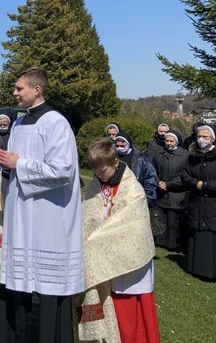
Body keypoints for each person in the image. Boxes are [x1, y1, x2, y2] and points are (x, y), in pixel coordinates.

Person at [0, 67, 83, 343]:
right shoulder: (18, 124)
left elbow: (63, 170)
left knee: (45, 283)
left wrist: (18, 163)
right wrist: (9, 167)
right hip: (21, 209)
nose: (15, 93)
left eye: (19, 88)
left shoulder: (56, 123)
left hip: (48, 214)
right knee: (19, 281)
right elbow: (15, 163)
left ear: (37, 90)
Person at [76, 138, 160, 343]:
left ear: (115, 162)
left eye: (102, 171)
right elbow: (89, 214)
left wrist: (101, 237)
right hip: (100, 252)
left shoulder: (133, 189)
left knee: (128, 304)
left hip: (128, 260)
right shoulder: (97, 184)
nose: (98, 175)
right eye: (95, 171)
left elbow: (131, 225)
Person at [180, 124, 216, 282]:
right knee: (199, 235)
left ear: (213, 138)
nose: (201, 139)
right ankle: (199, 269)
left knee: (215, 236)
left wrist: (205, 185)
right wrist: (196, 184)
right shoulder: (193, 157)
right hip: (197, 203)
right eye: (198, 136)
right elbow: (185, 176)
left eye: (205, 136)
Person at [155, 130, 190, 251]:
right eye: (167, 141)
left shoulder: (185, 155)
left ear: (177, 142)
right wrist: (158, 182)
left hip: (178, 194)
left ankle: (175, 244)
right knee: (162, 219)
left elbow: (185, 175)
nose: (169, 143)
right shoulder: (159, 153)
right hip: (162, 192)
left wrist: (169, 184)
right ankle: (161, 242)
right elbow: (153, 170)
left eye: (171, 141)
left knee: (175, 221)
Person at [113, 132, 158, 209]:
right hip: (115, 198)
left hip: (135, 198)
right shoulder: (112, 156)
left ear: (128, 145)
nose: (119, 148)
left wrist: (148, 199)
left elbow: (150, 178)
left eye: (122, 146)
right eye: (117, 146)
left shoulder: (141, 159)